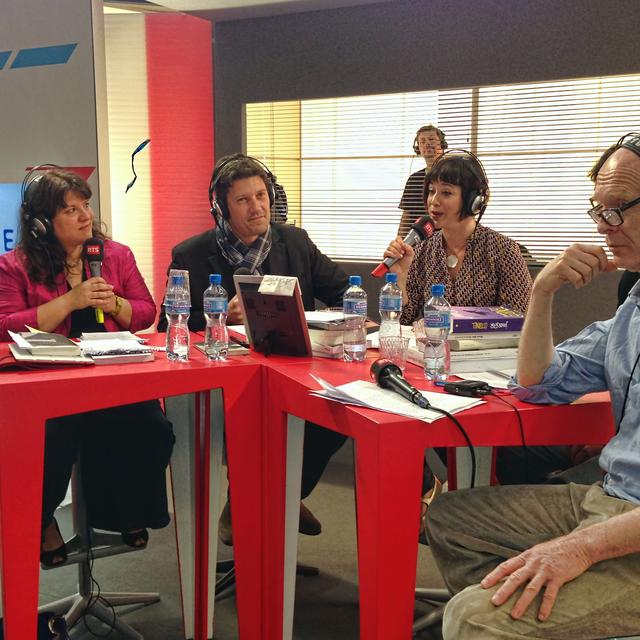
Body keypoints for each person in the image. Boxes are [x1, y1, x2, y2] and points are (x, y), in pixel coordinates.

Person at [426, 132, 640, 639]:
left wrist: (583, 548)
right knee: (451, 518)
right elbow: (539, 381)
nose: (604, 227)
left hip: (626, 523)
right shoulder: (633, 306)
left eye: (619, 211)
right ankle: (537, 614)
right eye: (598, 211)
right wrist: (542, 289)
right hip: (611, 499)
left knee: (471, 618)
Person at [159, 153, 349, 544]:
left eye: (261, 195)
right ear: (221, 208)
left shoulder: (295, 242)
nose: (257, 207)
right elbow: (169, 322)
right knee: (246, 423)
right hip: (225, 379)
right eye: (244, 200)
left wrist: (354, 312)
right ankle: (258, 497)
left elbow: (345, 290)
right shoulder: (190, 255)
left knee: (335, 418)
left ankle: (283, 491)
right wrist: (219, 317)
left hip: (292, 372)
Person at [0, 168, 175, 567]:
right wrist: (71, 301)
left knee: (153, 427)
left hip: (111, 378)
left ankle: (120, 512)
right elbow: (5, 327)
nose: (85, 216)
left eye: (86, 206)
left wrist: (112, 304)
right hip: (49, 384)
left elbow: (146, 313)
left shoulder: (115, 255)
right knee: (52, 438)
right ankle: (42, 520)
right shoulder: (14, 265)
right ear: (43, 225)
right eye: (71, 210)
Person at [397, 125, 447, 237]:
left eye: (431, 139)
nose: (427, 144)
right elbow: (406, 215)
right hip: (417, 243)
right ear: (418, 148)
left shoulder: (454, 176)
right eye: (422, 141)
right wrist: (400, 241)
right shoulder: (413, 179)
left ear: (442, 144)